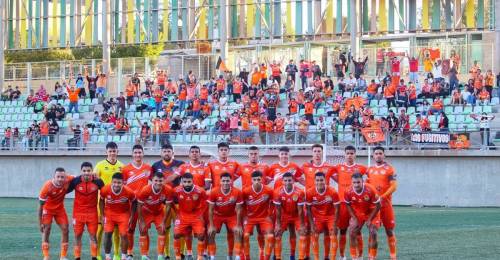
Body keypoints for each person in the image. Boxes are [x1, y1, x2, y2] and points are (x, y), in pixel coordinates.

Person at [331, 146, 368, 259]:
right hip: (342, 203)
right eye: (348, 153)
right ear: (344, 154)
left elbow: (371, 175)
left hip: (356, 204)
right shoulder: (338, 167)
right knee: (342, 230)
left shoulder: (361, 168)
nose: (350, 155)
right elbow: (328, 175)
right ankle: (342, 256)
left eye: (352, 153)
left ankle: (360, 256)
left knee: (356, 230)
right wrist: (340, 182)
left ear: (355, 154)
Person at [150, 143, 184, 258]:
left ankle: (181, 253)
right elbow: (154, 183)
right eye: (164, 151)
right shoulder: (155, 166)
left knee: (180, 229)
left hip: (178, 202)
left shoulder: (180, 164)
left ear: (172, 153)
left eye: (169, 151)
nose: (166, 153)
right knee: (165, 229)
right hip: (163, 203)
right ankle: (166, 254)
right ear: (161, 153)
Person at [67, 162, 104, 260]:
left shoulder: (98, 181)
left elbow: (104, 195)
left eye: (88, 171)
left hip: (92, 213)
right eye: (84, 171)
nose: (86, 173)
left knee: (93, 235)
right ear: (81, 171)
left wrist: (103, 213)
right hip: (78, 213)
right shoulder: (76, 181)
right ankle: (77, 257)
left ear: (92, 171)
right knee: (77, 235)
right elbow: (65, 190)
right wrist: (69, 177)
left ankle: (94, 257)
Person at [366, 146, 398, 260]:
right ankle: (372, 256)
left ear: (384, 155)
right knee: (372, 230)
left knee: (389, 230)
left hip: (386, 205)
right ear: (373, 155)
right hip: (374, 207)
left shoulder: (390, 169)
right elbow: (367, 185)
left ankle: (393, 255)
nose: (378, 155)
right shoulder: (369, 170)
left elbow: (394, 186)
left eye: (380, 153)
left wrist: (382, 197)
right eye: (376, 153)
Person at [94, 142, 124, 259]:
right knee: (100, 228)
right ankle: (97, 254)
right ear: (106, 152)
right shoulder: (100, 165)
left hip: (117, 203)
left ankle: (116, 254)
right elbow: (94, 180)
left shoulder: (122, 166)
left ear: (117, 152)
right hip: (102, 202)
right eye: (110, 151)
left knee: (117, 230)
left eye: (114, 151)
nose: (112, 153)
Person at [121, 145, 152, 258]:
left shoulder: (148, 168)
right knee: (130, 228)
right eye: (136, 152)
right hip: (130, 204)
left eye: (140, 152)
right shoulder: (125, 169)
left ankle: (145, 254)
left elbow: (154, 183)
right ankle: (130, 253)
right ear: (132, 154)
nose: (138, 155)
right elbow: (123, 187)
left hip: (143, 204)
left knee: (143, 228)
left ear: (143, 154)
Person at [99, 173, 137, 260]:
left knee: (124, 235)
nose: (116, 184)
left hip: (123, 214)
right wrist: (102, 215)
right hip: (109, 214)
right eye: (114, 182)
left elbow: (134, 201)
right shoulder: (105, 189)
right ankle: (108, 256)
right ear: (111, 182)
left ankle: (123, 257)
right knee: (107, 234)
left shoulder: (128, 191)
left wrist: (132, 215)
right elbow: (101, 200)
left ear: (123, 183)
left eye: (119, 183)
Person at [38, 168, 73, 260]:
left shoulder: (68, 179)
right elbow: (40, 206)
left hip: (60, 209)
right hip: (47, 210)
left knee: (66, 230)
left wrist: (93, 175)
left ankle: (63, 256)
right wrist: (40, 222)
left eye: (62, 177)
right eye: (58, 177)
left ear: (65, 177)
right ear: (54, 177)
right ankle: (46, 256)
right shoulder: (47, 186)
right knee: (47, 230)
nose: (60, 179)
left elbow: (78, 178)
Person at [207, 173, 244, 260]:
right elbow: (210, 210)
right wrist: (211, 226)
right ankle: (212, 256)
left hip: (231, 216)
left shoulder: (237, 192)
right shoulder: (214, 191)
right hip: (217, 216)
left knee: (238, 231)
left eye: (227, 180)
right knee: (210, 232)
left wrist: (238, 225)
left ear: (231, 181)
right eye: (223, 181)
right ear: (220, 181)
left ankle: (237, 256)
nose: (226, 183)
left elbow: (239, 210)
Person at [344, 173, 381, 260]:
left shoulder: (370, 189)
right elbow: (348, 205)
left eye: (358, 182)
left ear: (362, 181)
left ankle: (372, 257)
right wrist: (354, 218)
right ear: (351, 182)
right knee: (352, 231)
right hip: (358, 212)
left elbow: (378, 205)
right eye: (354, 182)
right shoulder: (348, 191)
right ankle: (355, 257)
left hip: (372, 211)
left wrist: (369, 219)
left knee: (373, 232)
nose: (356, 185)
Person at [136, 171, 172, 260]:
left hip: (158, 212)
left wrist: (164, 222)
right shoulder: (145, 190)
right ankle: (144, 255)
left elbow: (168, 207)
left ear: (163, 181)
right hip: (146, 212)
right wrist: (142, 221)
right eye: (156, 180)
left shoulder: (168, 189)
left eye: (160, 181)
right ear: (152, 180)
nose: (158, 183)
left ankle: (160, 256)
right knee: (143, 230)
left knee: (162, 230)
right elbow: (139, 206)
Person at [171, 173, 207, 260]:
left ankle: (200, 257)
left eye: (189, 182)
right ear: (181, 182)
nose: (187, 184)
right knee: (176, 234)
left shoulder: (200, 191)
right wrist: (176, 212)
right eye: (185, 182)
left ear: (193, 181)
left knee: (201, 235)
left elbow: (205, 203)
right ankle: (178, 257)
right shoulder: (176, 190)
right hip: (182, 216)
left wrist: (201, 214)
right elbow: (170, 200)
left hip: (196, 216)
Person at [306, 172, 340, 260]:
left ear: (325, 180)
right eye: (317, 180)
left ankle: (330, 257)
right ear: (314, 181)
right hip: (318, 217)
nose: (320, 182)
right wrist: (312, 225)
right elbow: (308, 209)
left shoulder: (333, 192)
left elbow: (337, 209)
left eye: (321, 180)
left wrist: (335, 224)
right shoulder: (310, 192)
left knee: (333, 234)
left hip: (331, 216)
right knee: (314, 234)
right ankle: (316, 258)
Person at [273, 172, 306, 260]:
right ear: (282, 181)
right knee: (277, 233)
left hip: (296, 216)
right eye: (286, 180)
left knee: (302, 234)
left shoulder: (300, 192)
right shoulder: (277, 192)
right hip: (284, 216)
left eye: (290, 180)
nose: (288, 182)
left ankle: (296, 257)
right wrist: (278, 225)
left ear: (293, 181)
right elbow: (278, 210)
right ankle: (278, 257)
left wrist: (302, 225)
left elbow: (300, 211)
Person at [242, 171, 274, 260]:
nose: (257, 181)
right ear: (251, 180)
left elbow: (273, 203)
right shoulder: (246, 191)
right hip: (250, 218)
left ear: (262, 180)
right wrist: (245, 217)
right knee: (245, 236)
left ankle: (264, 256)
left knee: (270, 236)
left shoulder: (268, 190)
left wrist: (270, 215)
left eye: (259, 179)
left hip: (264, 217)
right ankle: (247, 257)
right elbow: (242, 205)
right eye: (254, 179)